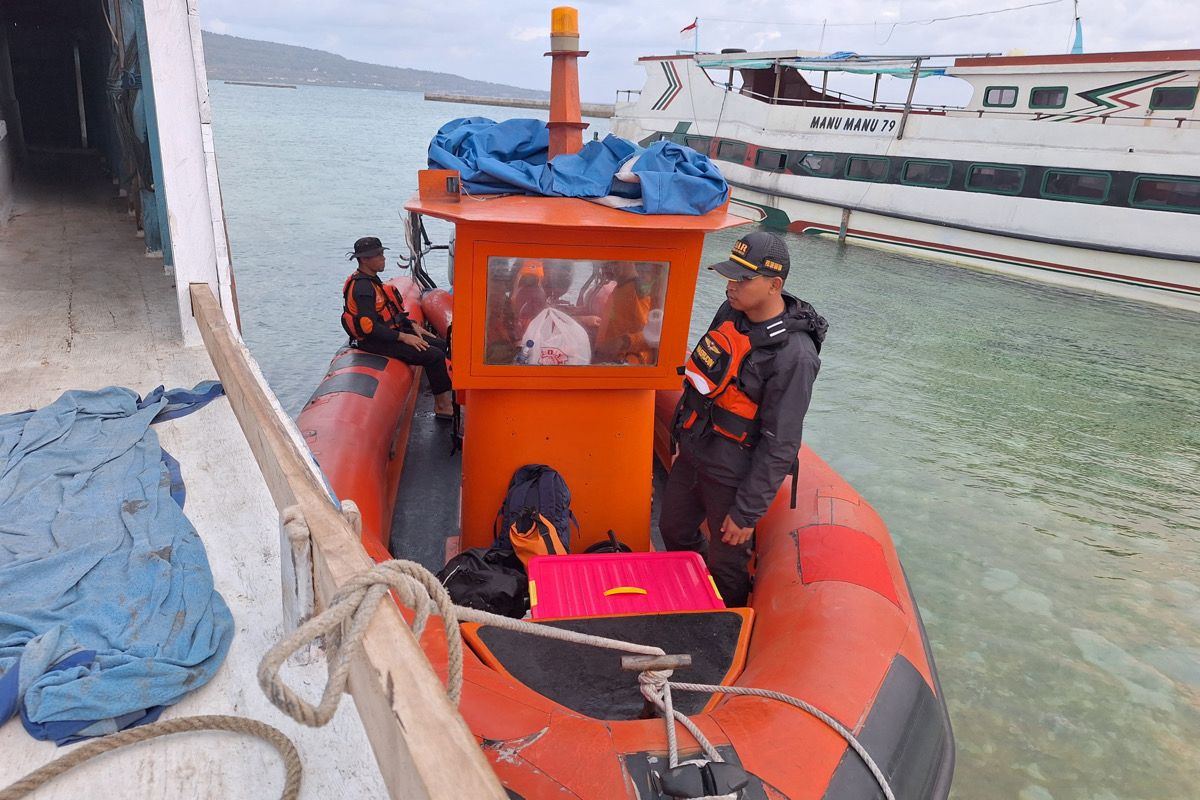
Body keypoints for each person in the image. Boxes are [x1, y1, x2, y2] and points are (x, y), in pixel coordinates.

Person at [659, 231, 827, 607]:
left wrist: (747, 512)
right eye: (730, 277)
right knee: (672, 528)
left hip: (734, 471)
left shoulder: (794, 357)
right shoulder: (731, 313)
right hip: (696, 450)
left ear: (774, 285)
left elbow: (781, 441)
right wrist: (678, 445)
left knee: (728, 562)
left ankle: (727, 621)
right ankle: (695, 591)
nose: (731, 287)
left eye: (743, 279)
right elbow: (700, 381)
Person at [341, 236, 454, 418]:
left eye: (382, 253)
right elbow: (369, 328)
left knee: (441, 345)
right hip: (374, 342)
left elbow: (390, 312)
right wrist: (404, 337)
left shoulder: (372, 281)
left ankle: (450, 392)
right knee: (434, 355)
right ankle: (442, 406)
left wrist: (411, 327)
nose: (383, 258)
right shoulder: (362, 288)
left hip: (389, 334)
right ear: (364, 260)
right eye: (378, 255)